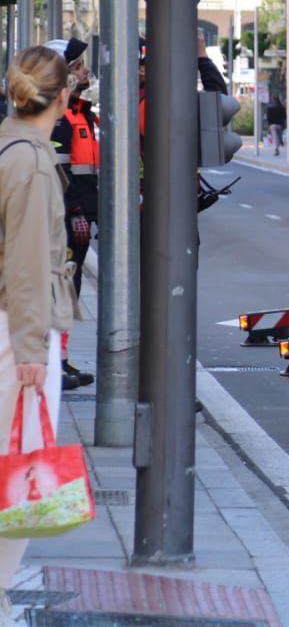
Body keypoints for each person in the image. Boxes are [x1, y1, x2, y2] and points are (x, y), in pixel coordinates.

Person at [0, 47, 80, 617]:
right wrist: (32, 350)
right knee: (19, 472)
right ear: (64, 98)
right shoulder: (29, 161)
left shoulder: (9, 145)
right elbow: (26, 262)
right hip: (17, 331)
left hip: (12, 325)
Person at [44, 40, 95, 392]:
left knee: (68, 292)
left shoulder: (79, 111)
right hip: (63, 221)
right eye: (78, 66)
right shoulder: (57, 118)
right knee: (57, 291)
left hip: (76, 219)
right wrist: (73, 211)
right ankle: (52, 365)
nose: (85, 71)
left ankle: (60, 362)